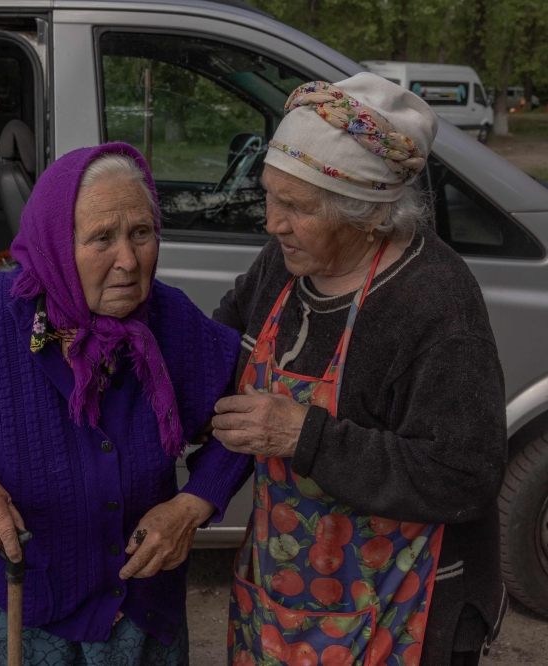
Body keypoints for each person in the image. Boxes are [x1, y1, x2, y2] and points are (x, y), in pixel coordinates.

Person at [0, 142, 250, 665]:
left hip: (138, 608)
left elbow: (251, 414)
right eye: (102, 238)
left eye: (141, 233)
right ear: (54, 244)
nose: (127, 260)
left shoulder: (172, 320)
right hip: (16, 605)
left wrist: (196, 503)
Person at [211, 72, 508, 666]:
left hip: (399, 611)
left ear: (370, 215)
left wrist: (304, 435)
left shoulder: (436, 304)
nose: (272, 223)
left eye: (295, 207)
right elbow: (216, 356)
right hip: (285, 597)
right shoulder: (281, 265)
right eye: (270, 196)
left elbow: (464, 476)